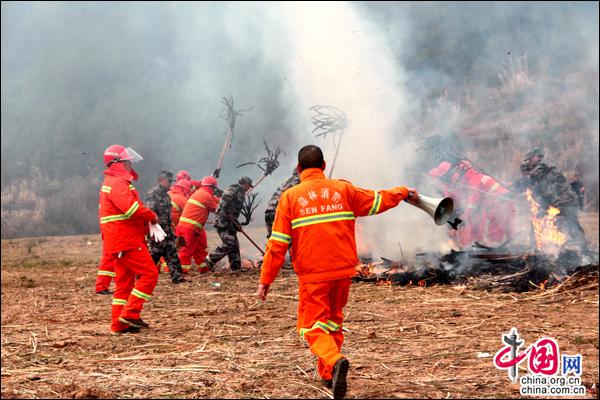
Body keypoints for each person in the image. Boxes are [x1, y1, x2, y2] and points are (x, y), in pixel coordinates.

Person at [256, 145, 418, 399]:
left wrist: (266, 280)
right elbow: (377, 200)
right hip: (342, 271)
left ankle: (334, 359)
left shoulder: (289, 197)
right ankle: (329, 374)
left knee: (311, 327)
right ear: (323, 166)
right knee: (332, 321)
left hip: (312, 275)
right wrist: (403, 192)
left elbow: (277, 244)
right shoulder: (343, 189)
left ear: (299, 169)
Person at [99, 144, 160, 334]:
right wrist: (152, 216)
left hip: (118, 242)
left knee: (124, 285)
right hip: (127, 241)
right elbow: (131, 209)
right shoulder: (117, 183)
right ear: (118, 162)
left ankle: (118, 324)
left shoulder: (111, 182)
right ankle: (131, 313)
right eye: (126, 161)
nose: (129, 165)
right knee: (150, 274)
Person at [518, 148, 587, 251]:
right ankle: (536, 246)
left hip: (566, 201)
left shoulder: (540, 171)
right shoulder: (540, 171)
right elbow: (529, 183)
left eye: (531, 159)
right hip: (558, 202)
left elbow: (537, 185)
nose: (528, 163)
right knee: (538, 219)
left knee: (571, 224)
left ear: (536, 158)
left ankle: (581, 248)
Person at [204, 176, 253, 273]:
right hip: (223, 221)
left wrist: (237, 224)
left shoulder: (241, 192)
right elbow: (225, 202)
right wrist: (227, 213)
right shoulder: (232, 189)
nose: (249, 188)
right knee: (229, 242)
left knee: (234, 245)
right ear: (245, 184)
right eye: (249, 185)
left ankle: (236, 268)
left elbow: (234, 211)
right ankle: (211, 258)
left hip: (230, 221)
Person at [145, 171, 186, 284]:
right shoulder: (153, 194)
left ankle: (177, 277)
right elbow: (150, 212)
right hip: (157, 232)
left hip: (167, 231)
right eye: (169, 181)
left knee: (172, 253)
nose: (171, 184)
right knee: (154, 255)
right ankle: (142, 277)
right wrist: (154, 228)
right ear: (161, 180)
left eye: (172, 181)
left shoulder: (167, 196)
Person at [177, 176, 220, 274]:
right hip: (188, 228)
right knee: (186, 250)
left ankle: (204, 268)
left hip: (192, 228)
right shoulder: (205, 195)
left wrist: (216, 199)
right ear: (211, 187)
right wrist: (222, 200)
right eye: (214, 189)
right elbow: (218, 209)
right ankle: (181, 271)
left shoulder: (201, 193)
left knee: (200, 248)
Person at [265, 168, 300, 239]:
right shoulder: (298, 180)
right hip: (278, 211)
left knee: (274, 239)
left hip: (269, 212)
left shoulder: (287, 181)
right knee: (290, 240)